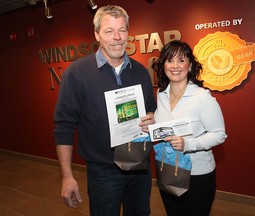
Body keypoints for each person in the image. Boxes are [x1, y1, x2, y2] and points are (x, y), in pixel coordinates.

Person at [54, 5, 156, 216]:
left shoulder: (140, 71)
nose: (117, 37)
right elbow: (63, 127)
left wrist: (151, 120)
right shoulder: (77, 73)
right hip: (103, 172)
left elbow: (151, 112)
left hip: (140, 166)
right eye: (109, 31)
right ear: (97, 34)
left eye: (122, 30)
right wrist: (67, 176)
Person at [151, 40, 227, 216]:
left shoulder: (202, 97)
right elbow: (165, 125)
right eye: (170, 60)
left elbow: (219, 134)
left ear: (190, 65)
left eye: (181, 60)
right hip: (168, 169)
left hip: (197, 175)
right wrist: (151, 125)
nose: (175, 66)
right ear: (163, 65)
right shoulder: (161, 94)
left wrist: (188, 144)